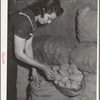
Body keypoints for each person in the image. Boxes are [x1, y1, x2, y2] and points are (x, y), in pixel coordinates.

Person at [7, 0, 63, 100]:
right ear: (43, 10)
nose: (49, 22)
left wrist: (33, 68)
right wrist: (42, 67)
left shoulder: (33, 19)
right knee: (7, 86)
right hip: (4, 47)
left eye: (51, 20)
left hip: (10, 46)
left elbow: (28, 46)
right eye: (49, 18)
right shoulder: (24, 21)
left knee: (11, 82)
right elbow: (18, 53)